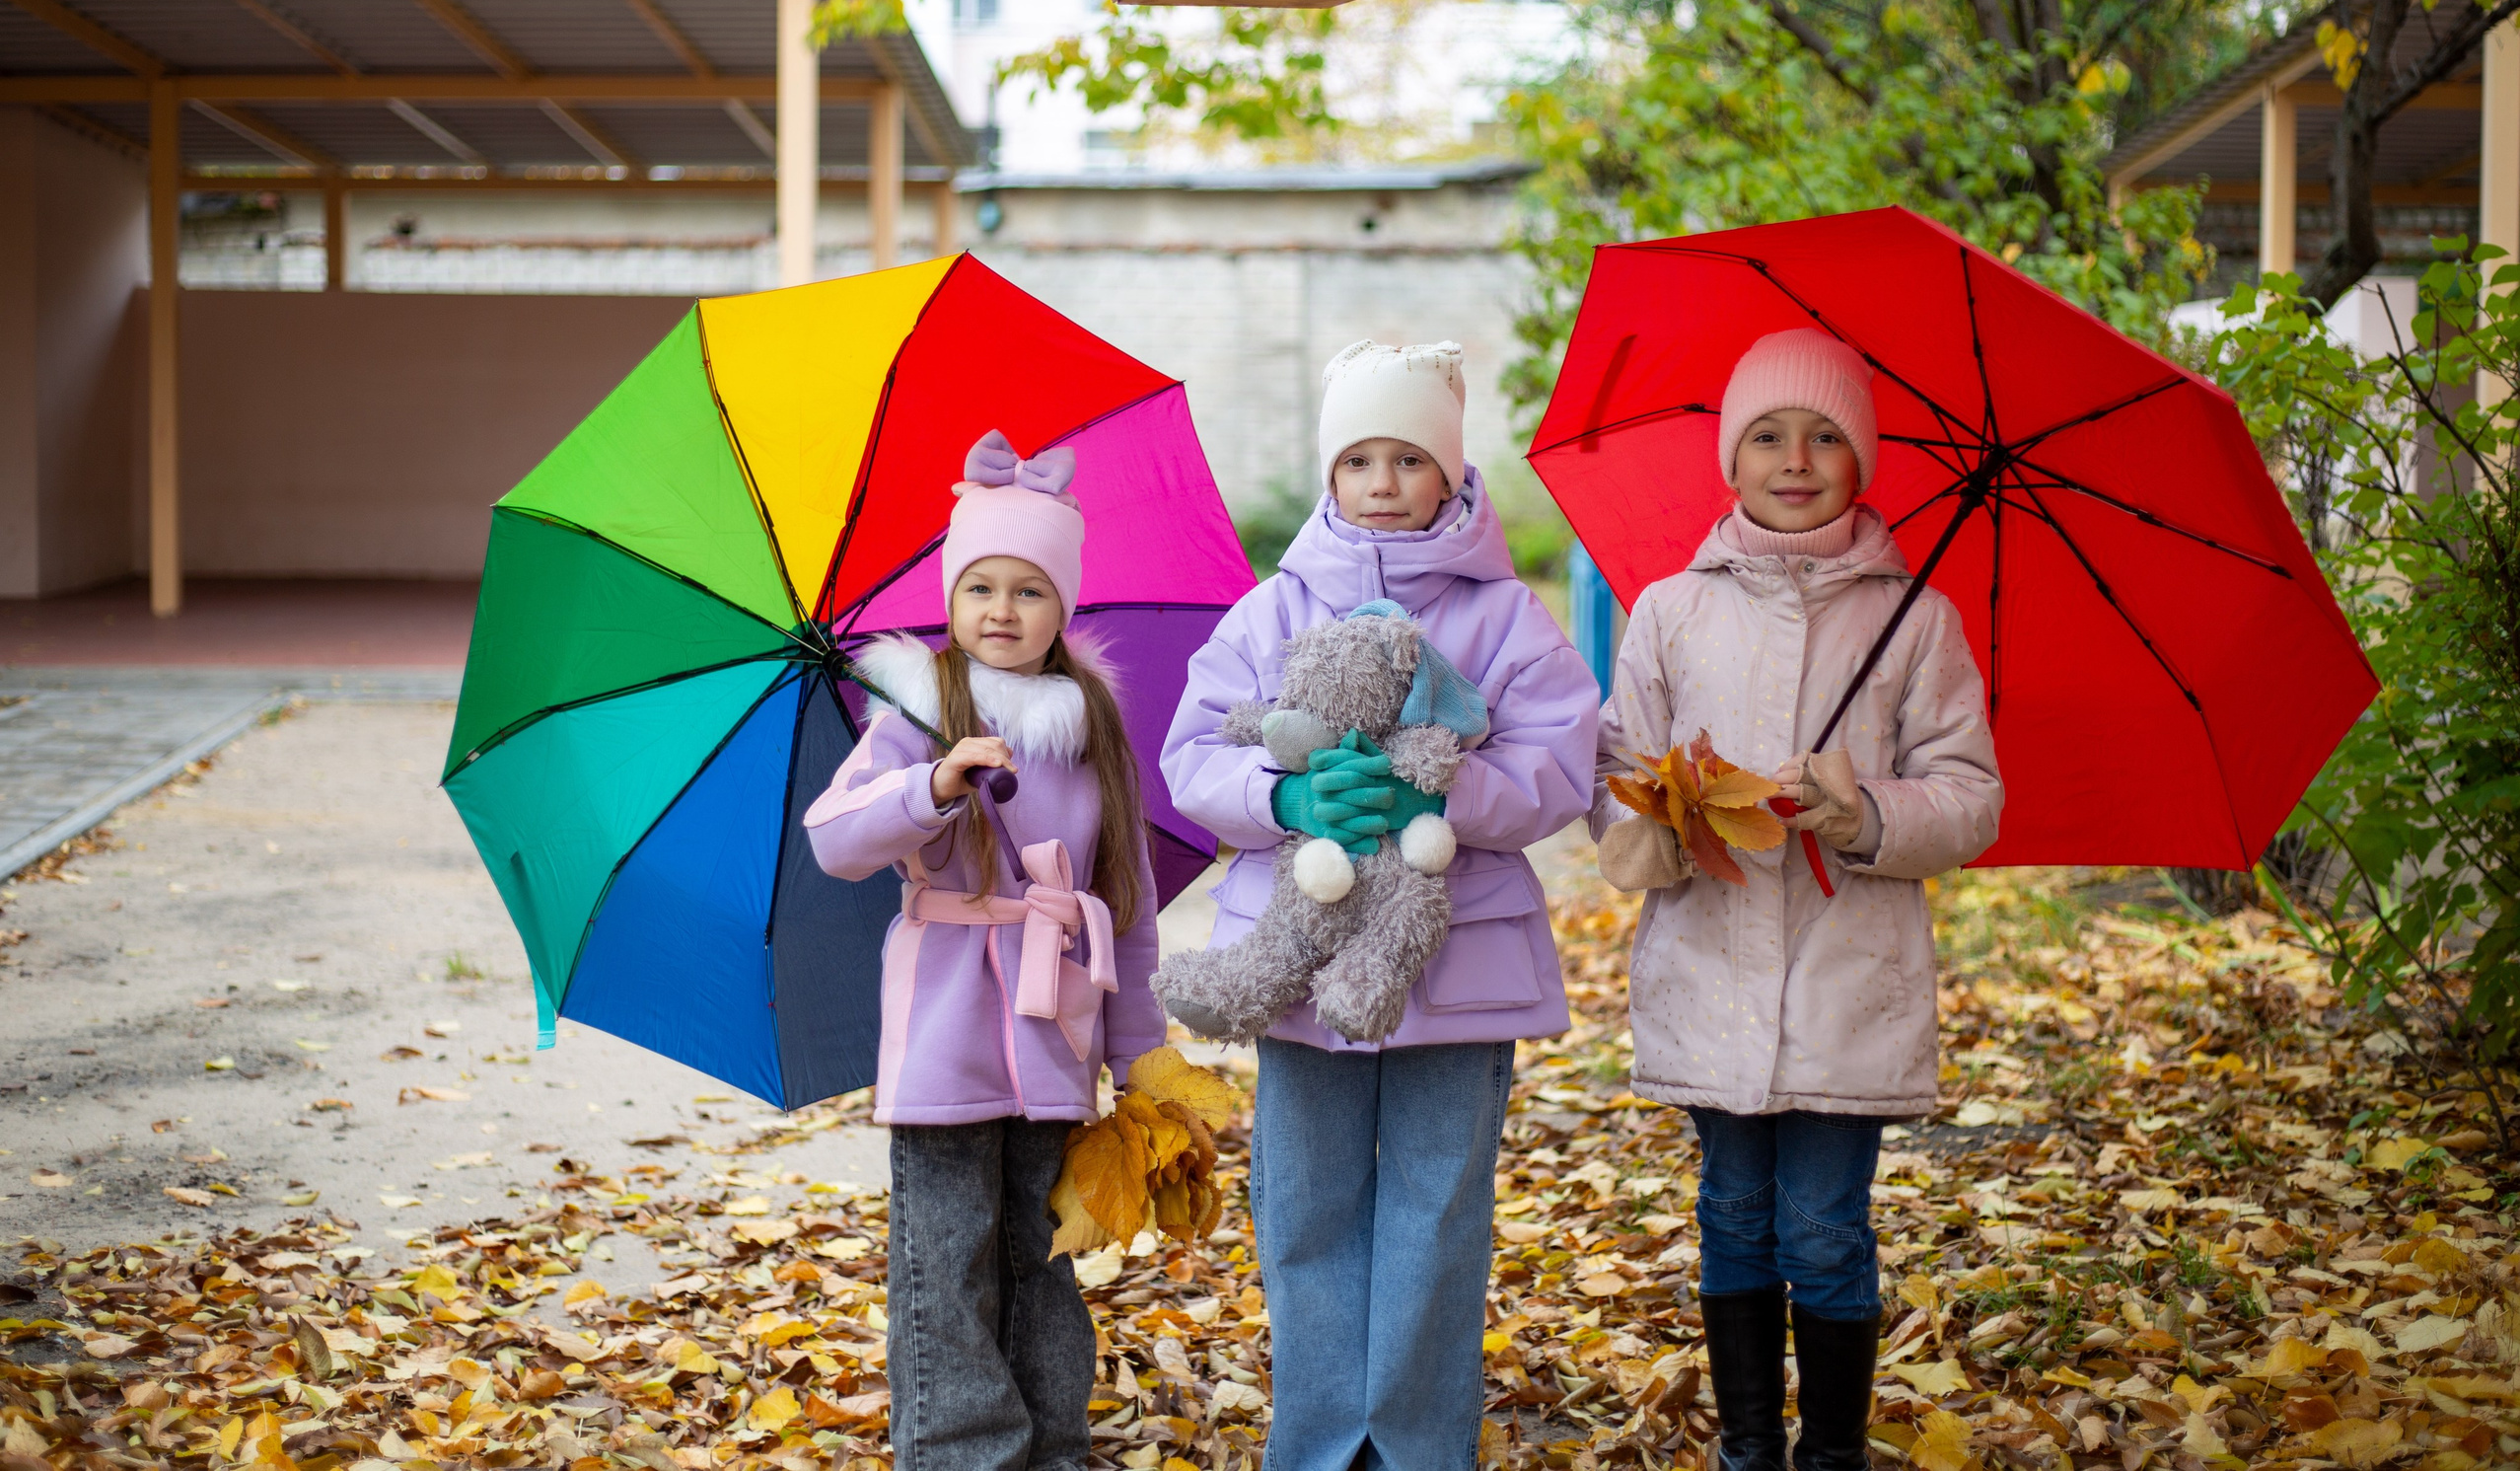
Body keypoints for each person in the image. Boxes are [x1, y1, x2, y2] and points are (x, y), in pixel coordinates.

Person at [1163, 339, 1599, 1471]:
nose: (1385, 481)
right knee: (1303, 1208)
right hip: (1302, 961)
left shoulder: (1505, 618)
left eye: (1410, 457)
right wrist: (1283, 792)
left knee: (1435, 1207)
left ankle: (1412, 1440)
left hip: (1453, 965)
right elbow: (1193, 753)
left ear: (1452, 475)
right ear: (1330, 475)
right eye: (1360, 458)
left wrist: (1449, 784)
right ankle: (1318, 1438)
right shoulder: (1270, 611)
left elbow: (1561, 763)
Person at [1590, 330, 2003, 1471]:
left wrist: (1863, 812)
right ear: (1730, 460)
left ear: (1861, 459)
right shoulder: (1669, 611)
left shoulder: (1914, 618)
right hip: (1711, 966)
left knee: (1822, 1229)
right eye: (1767, 435)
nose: (1796, 457)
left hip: (1844, 976)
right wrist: (1662, 822)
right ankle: (1746, 1450)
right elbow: (1613, 772)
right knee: (1730, 1214)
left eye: (1826, 436)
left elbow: (1971, 797)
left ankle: (1827, 1453)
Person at [803, 429, 1164, 1471]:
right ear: (952, 601)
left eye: (1029, 591)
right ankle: (960, 1450)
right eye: (980, 588)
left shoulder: (1090, 727)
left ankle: (1048, 1442)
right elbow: (835, 840)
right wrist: (931, 787)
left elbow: (1123, 906)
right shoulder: (919, 712)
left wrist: (1138, 1058)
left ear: (1064, 608)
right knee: (945, 1258)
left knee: (1039, 1255)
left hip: (1056, 1040)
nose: (1002, 611)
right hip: (944, 1037)